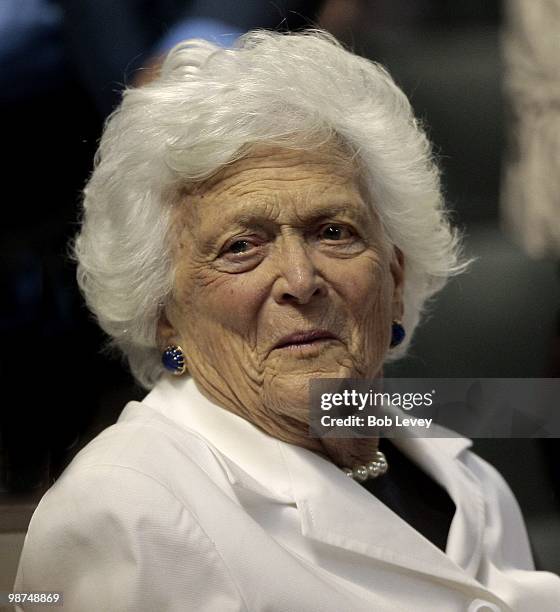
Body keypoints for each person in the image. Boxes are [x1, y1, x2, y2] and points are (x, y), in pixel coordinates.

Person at [14, 29, 560, 611]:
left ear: (396, 280)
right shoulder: (123, 510)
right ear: (164, 313)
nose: (301, 281)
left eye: (334, 232)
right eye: (241, 247)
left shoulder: (465, 470)